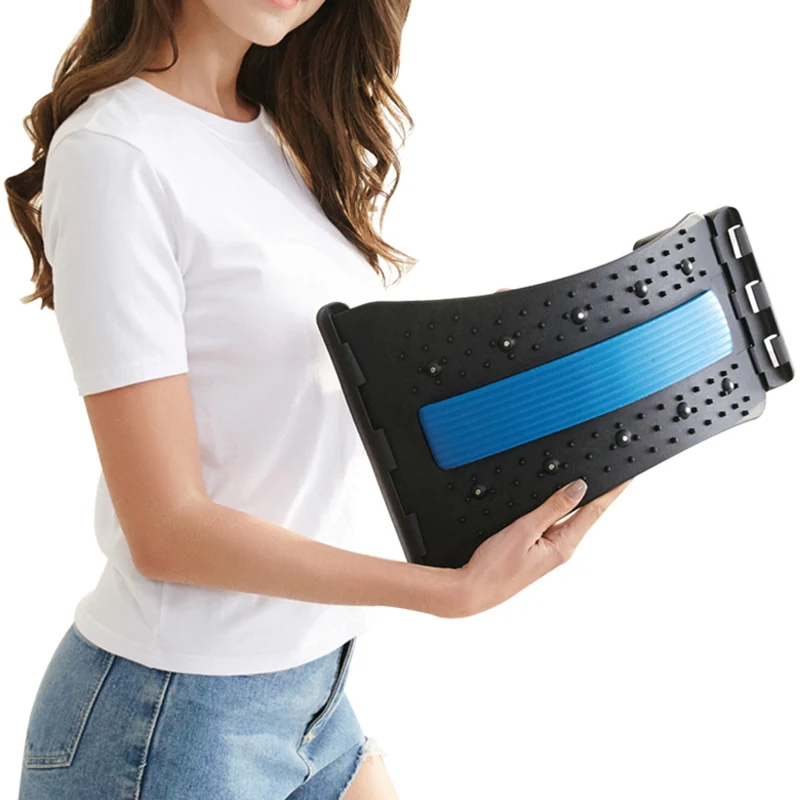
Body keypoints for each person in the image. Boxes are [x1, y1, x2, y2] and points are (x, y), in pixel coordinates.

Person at [6, 0, 631, 797]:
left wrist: (503, 350)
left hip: (313, 691)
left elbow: (297, 377)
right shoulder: (114, 152)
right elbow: (165, 529)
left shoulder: (279, 130)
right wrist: (444, 592)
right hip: (171, 720)